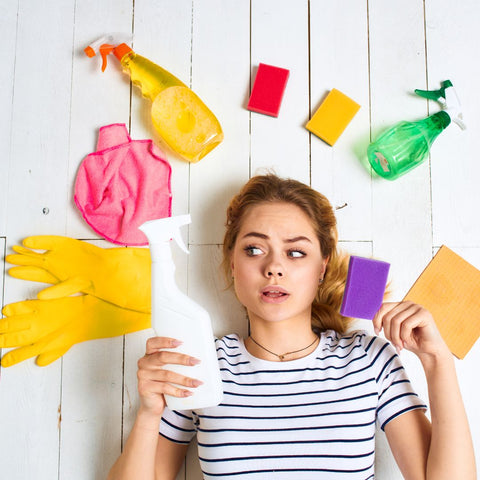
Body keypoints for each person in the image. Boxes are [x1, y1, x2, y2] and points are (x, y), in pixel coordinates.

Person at [108, 174, 476, 480]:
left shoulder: (368, 359)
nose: (274, 267)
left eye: (295, 252)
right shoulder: (199, 363)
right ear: (232, 264)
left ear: (321, 268)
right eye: (254, 249)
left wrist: (437, 361)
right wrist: (149, 413)